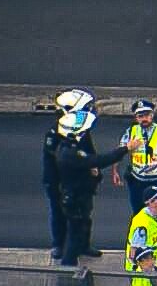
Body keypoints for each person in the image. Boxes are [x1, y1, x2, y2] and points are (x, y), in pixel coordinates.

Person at [111, 100, 157, 272]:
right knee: (141, 221)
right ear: (135, 117)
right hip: (137, 183)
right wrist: (115, 171)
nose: (144, 118)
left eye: (146, 114)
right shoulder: (131, 132)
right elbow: (119, 152)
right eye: (140, 115)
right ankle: (143, 260)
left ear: (152, 114)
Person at [54, 110, 134, 266]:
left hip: (82, 195)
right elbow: (100, 160)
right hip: (75, 198)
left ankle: (84, 247)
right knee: (75, 233)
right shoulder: (70, 153)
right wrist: (125, 149)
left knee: (85, 222)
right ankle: (68, 267)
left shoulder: (71, 145)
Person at [43, 88, 95, 258]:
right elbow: (59, 160)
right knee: (59, 212)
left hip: (80, 181)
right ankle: (59, 245)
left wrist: (94, 168)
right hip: (59, 181)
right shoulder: (55, 132)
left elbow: (89, 150)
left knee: (84, 213)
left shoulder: (82, 129)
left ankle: (83, 245)